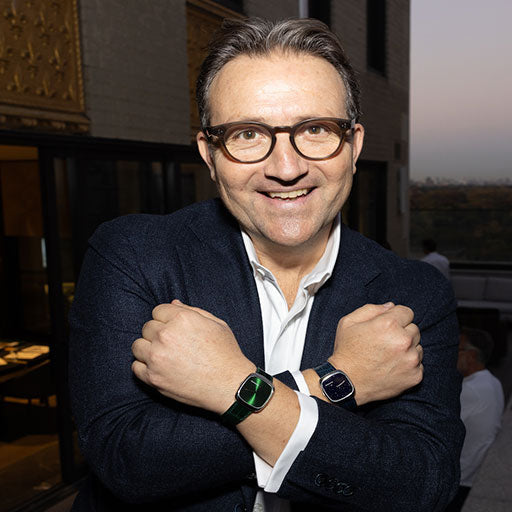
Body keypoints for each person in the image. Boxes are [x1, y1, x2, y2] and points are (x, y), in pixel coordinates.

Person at [69, 18, 464, 511]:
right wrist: (336, 382)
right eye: (248, 133)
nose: (285, 168)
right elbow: (125, 460)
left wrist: (229, 389)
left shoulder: (415, 291)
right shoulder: (135, 254)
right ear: (209, 154)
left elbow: (422, 484)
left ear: (355, 145)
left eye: (316, 129)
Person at [445, 327, 504, 511]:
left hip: (460, 478)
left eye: (457, 349)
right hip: (475, 472)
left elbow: (441, 428)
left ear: (470, 355)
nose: (451, 355)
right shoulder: (492, 381)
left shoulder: (470, 391)